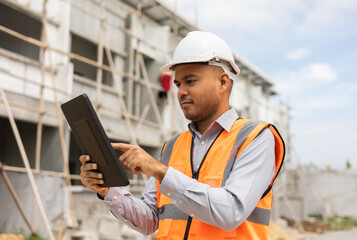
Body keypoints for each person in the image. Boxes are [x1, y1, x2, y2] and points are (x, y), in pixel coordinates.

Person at [79, 31, 285, 240]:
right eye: (178, 84)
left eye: (191, 81)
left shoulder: (255, 138)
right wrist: (107, 190)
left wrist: (159, 170)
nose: (181, 92)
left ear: (223, 82)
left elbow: (231, 212)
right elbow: (150, 220)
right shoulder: (173, 146)